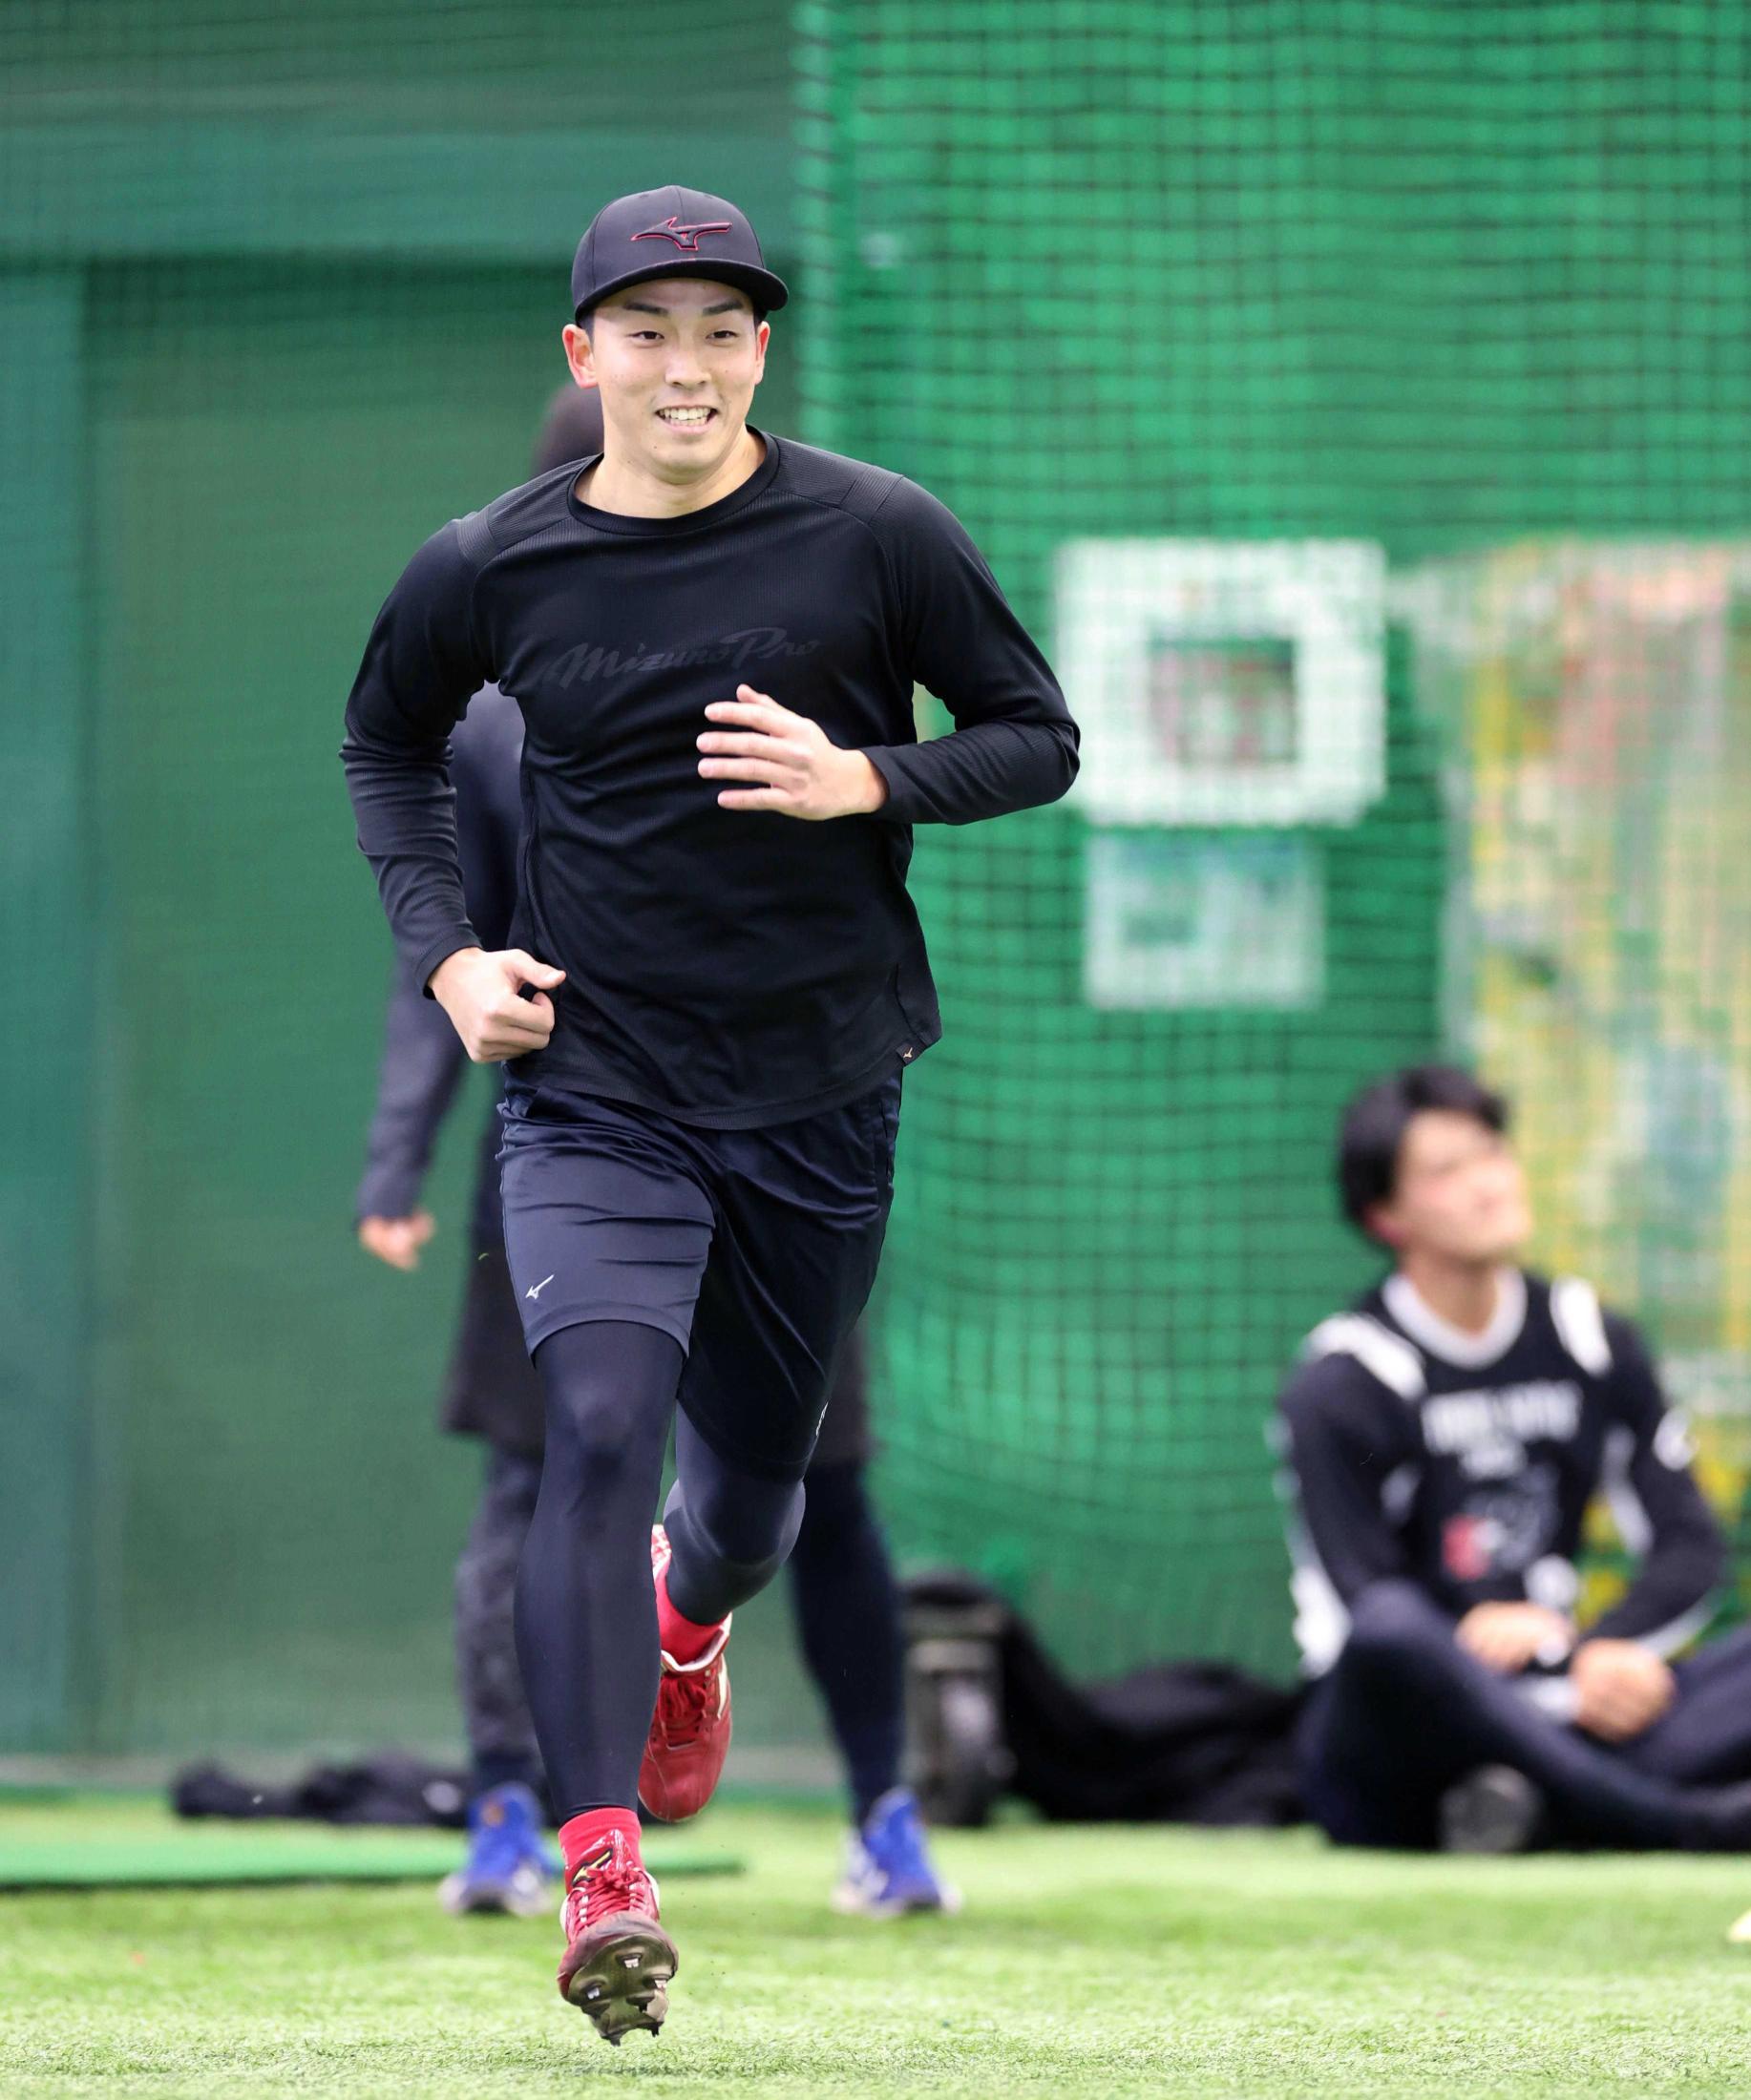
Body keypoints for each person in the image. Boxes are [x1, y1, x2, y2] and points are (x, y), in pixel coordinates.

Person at [341, 185, 1076, 2042]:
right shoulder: (486, 562)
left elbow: (1035, 734)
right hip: (593, 1093)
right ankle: (600, 1864)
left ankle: (692, 1620)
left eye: (721, 329)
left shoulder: (876, 530)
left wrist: (863, 779)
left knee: (747, 1501)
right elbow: (385, 747)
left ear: (760, 352)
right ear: (581, 353)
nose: (685, 364)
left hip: (819, 1092)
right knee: (592, 1430)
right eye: (646, 330)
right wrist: (449, 963)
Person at [357, 383, 955, 1920]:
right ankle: (526, 1813)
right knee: (557, 1463)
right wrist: (402, 1149)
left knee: (801, 1492)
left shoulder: (811, 642)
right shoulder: (489, 710)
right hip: (577, 1122)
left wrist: (866, 779)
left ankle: (882, 1808)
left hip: (789, 1127)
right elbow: (438, 931)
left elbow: (1014, 743)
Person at [1276, 1062, 1751, 1855]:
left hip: (1568, 1703)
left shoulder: (1588, 1336)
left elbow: (1689, 1545)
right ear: (1386, 1216)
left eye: (1492, 1153)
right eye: (1447, 1171)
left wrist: (1603, 1652)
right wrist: (1477, 1631)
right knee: (1394, 1631)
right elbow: (1365, 1603)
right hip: (1401, 1742)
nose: (1488, 1184)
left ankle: (1533, 1811)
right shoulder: (1345, 1378)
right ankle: (1684, 1823)